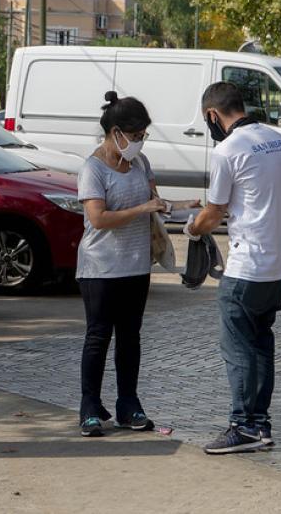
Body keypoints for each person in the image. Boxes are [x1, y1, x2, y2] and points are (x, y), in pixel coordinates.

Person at [184, 82, 281, 454]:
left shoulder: (227, 150)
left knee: (238, 350)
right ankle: (260, 425)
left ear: (212, 115)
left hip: (246, 268)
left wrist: (191, 227)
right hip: (278, 269)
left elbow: (213, 213)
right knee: (260, 346)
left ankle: (243, 426)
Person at [76, 91, 200, 437]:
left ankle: (128, 405)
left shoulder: (140, 165)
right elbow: (98, 219)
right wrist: (141, 210)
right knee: (98, 336)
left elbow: (154, 203)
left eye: (143, 136)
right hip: (100, 268)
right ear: (116, 132)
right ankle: (89, 407)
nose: (139, 143)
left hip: (136, 266)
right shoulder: (92, 169)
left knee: (130, 338)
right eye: (135, 136)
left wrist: (182, 205)